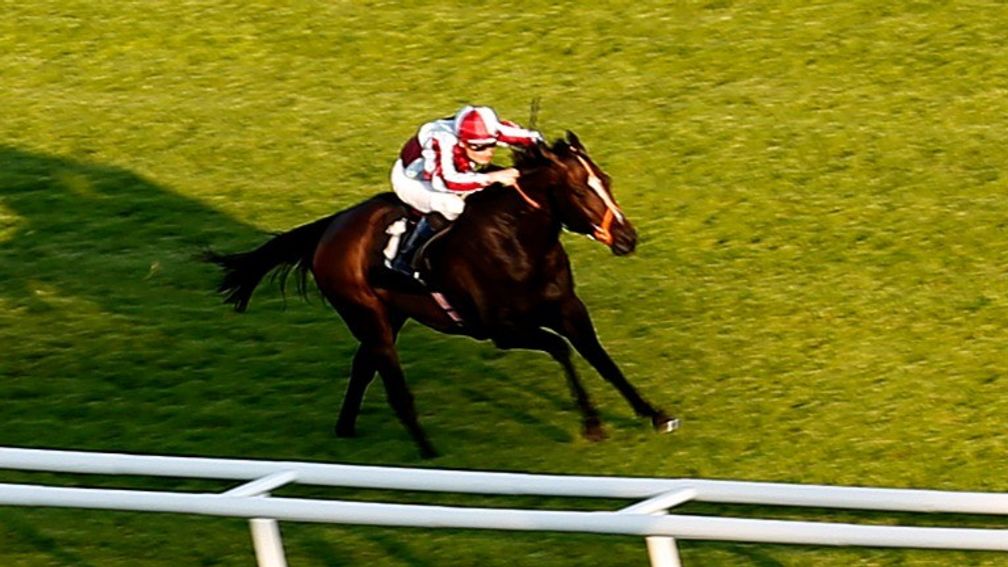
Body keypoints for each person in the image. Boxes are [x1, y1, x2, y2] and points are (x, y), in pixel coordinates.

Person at [387, 105, 543, 279]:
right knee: (453, 205)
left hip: (448, 174)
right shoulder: (443, 141)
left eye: (491, 145)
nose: (488, 153)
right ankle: (405, 260)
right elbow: (448, 183)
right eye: (478, 148)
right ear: (462, 142)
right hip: (414, 180)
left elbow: (532, 138)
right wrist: (493, 177)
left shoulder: (490, 129)